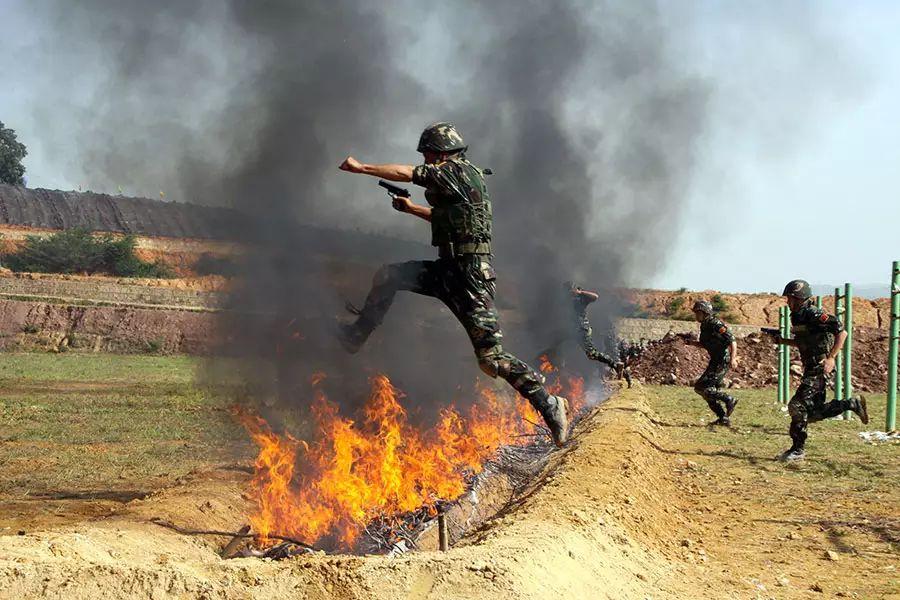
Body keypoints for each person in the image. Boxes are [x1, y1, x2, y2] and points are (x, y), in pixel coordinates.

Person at [336, 122, 570, 446]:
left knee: (491, 359)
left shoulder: (455, 170)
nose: (426, 160)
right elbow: (446, 219)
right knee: (389, 275)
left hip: (470, 277)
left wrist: (362, 168)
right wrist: (411, 209)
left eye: (428, 154)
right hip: (448, 269)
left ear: (442, 152)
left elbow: (407, 173)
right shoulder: (461, 178)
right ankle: (355, 336)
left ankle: (549, 403)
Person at [773, 280, 868, 461]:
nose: (788, 302)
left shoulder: (815, 314)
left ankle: (797, 450)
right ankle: (851, 404)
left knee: (797, 405)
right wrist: (782, 341)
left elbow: (842, 332)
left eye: (791, 298)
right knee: (813, 412)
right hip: (810, 367)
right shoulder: (797, 316)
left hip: (820, 366)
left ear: (801, 298)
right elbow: (803, 342)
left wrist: (831, 358)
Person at [538, 282, 629, 386]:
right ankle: (557, 365)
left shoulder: (581, 299)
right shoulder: (565, 301)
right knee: (554, 342)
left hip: (581, 330)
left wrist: (580, 293)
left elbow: (595, 297)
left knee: (592, 354)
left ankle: (614, 364)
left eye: (568, 290)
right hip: (569, 330)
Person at [683, 300, 739, 426]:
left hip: (722, 360)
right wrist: (690, 343)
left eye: (698, 313)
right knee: (709, 392)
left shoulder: (715, 324)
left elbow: (732, 340)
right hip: (715, 360)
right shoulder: (704, 325)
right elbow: (705, 344)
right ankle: (723, 418)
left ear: (705, 313)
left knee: (701, 387)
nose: (696, 315)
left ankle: (729, 399)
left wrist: (733, 358)